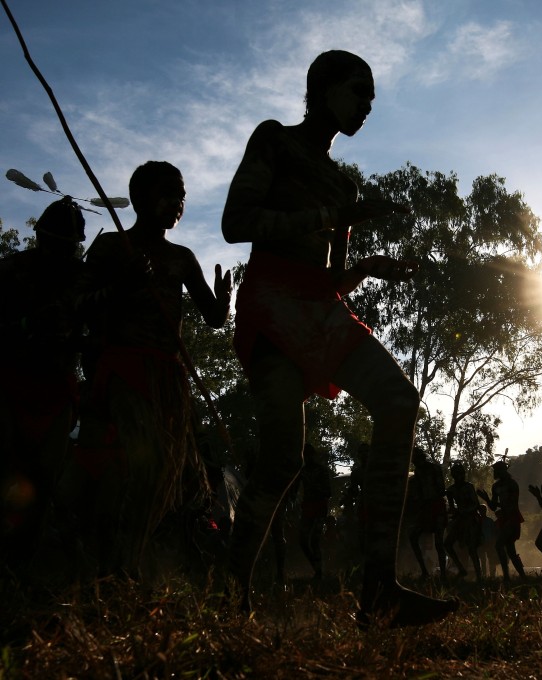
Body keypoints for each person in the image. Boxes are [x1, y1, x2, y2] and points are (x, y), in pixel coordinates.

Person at [221, 49, 457, 626]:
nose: (367, 106)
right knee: (281, 461)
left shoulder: (341, 182)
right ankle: (229, 597)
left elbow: (330, 280)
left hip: (316, 308)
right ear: (321, 89)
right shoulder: (274, 140)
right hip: (271, 304)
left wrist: (371, 266)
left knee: (399, 399)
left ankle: (378, 589)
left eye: (372, 98)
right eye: (358, 92)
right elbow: (236, 223)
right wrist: (334, 213)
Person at [66, 161, 232, 578]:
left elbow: (212, 317)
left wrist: (224, 300)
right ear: (139, 197)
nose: (177, 203)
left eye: (182, 196)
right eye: (168, 193)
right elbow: (76, 304)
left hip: (168, 379)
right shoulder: (112, 249)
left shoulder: (181, 258)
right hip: (123, 369)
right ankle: (115, 566)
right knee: (149, 465)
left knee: (175, 476)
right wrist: (124, 285)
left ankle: (130, 561)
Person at [0, 197, 86, 574]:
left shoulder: (84, 281)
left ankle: (21, 568)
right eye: (55, 243)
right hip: (7, 383)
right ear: (40, 238)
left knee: (44, 483)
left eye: (68, 247)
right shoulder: (11, 271)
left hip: (56, 393)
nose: (61, 253)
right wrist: (27, 326)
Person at [477, 459, 526, 583]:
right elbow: (493, 507)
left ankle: (507, 576)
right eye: (495, 470)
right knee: (510, 550)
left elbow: (513, 504)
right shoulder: (496, 486)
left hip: (512, 517)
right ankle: (520, 576)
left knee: (500, 545)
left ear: (503, 470)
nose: (495, 472)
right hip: (504, 518)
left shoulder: (512, 484)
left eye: (497, 470)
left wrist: (508, 519)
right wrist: (487, 499)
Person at [407, 446, 448, 581]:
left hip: (436, 507)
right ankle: (425, 571)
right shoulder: (418, 472)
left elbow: (441, 489)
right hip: (425, 508)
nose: (414, 462)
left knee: (438, 543)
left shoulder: (434, 469)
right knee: (413, 537)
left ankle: (443, 574)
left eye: (415, 459)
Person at [298, 442, 333, 582]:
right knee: (303, 540)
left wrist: (315, 489)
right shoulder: (302, 471)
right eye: (305, 455)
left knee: (314, 540)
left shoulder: (321, 470)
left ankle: (319, 572)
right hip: (308, 508)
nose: (307, 457)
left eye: (308, 454)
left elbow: (328, 492)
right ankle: (317, 568)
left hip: (319, 508)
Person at [443, 461, 483, 581]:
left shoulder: (468, 487)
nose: (459, 476)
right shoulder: (451, 490)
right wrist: (452, 512)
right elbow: (451, 507)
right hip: (459, 520)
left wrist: (463, 511)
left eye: (460, 473)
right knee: (447, 544)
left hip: (470, 519)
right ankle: (461, 569)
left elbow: (475, 504)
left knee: (471, 548)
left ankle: (479, 576)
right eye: (457, 474)